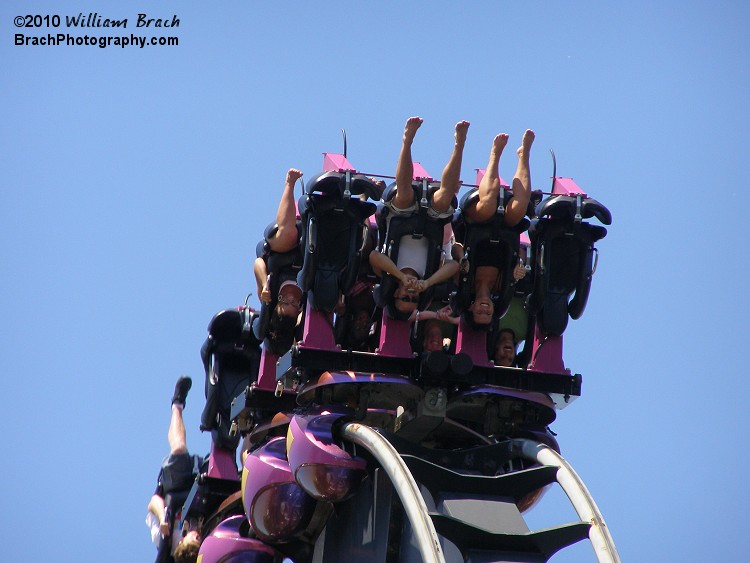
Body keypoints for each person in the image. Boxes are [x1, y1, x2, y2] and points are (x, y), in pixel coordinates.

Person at [369, 117, 462, 317]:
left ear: (395, 293)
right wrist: (427, 282)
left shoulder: (385, 274)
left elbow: (374, 256)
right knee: (445, 197)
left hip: (401, 216)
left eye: (405, 298)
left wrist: (400, 276)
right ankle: (459, 145)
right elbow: (454, 265)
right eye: (415, 299)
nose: (411, 295)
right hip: (431, 220)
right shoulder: (429, 274)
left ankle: (407, 140)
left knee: (404, 193)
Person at [456, 130, 535, 329]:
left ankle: (494, 155)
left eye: (480, 313)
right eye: (488, 314)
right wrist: (521, 265)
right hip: (503, 229)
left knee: (489, 203)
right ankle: (523, 155)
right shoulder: (502, 285)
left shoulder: (465, 284)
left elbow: (451, 249)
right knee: (520, 208)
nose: (485, 310)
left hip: (474, 222)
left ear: (472, 308)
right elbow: (518, 254)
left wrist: (460, 262)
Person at [147, 376, 204, 563]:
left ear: (180, 544)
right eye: (199, 540)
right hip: (202, 491)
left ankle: (177, 404)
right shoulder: (208, 539)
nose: (197, 536)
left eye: (193, 539)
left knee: (179, 449)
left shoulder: (164, 538)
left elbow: (154, 502)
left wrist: (163, 517)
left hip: (176, 487)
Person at [253, 169, 305, 354]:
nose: (292, 300)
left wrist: (264, 286)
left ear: (278, 303)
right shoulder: (305, 299)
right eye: (294, 305)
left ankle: (289, 184)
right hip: (307, 247)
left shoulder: (269, 293)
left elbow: (258, 262)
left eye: (286, 304)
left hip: (282, 246)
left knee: (288, 234)